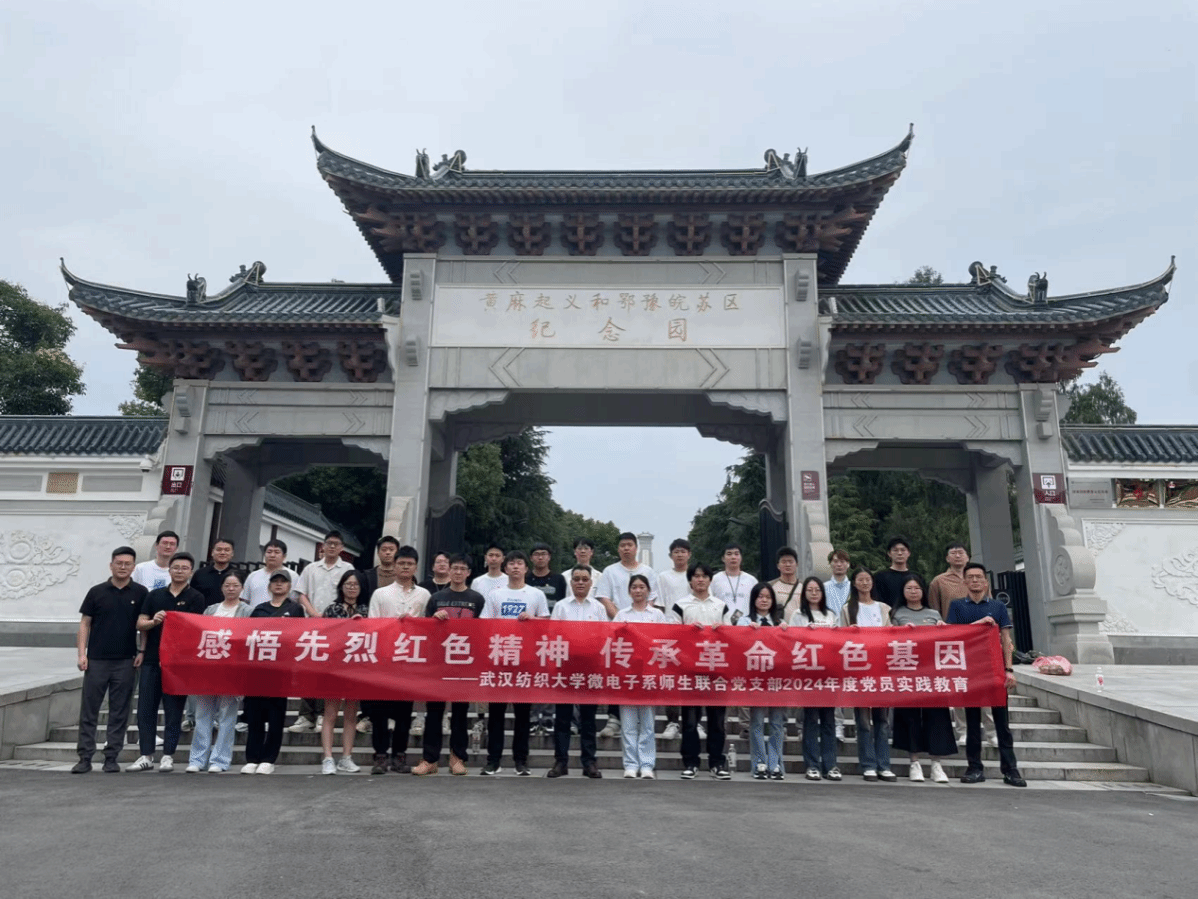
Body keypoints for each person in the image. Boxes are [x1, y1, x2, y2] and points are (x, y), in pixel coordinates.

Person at [947, 562, 1027, 787]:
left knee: (1002, 724)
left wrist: (1009, 670)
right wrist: (979, 623)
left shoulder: (997, 606)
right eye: (970, 577)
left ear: (985, 582)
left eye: (979, 577)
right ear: (964, 581)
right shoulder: (957, 606)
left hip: (995, 671)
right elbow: (953, 636)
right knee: (973, 723)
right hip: (970, 672)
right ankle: (974, 768)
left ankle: (1010, 770)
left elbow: (1006, 640)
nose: (974, 580)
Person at [128, 552, 206, 772]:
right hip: (152, 659)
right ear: (169, 570)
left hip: (178, 664)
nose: (179, 571)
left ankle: (168, 755)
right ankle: (146, 754)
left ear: (191, 572)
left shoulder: (196, 598)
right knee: (146, 707)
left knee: (174, 710)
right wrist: (154, 621)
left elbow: (198, 628)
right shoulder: (155, 595)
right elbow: (140, 623)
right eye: (176, 567)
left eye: (184, 568)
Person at [72, 546, 146, 774]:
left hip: (126, 660)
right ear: (111, 565)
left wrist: (142, 651)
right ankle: (85, 757)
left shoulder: (140, 593)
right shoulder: (97, 592)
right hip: (96, 660)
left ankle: (111, 756)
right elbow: (85, 623)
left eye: (127, 564)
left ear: (133, 567)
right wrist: (82, 654)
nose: (123, 567)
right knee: (89, 710)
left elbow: (143, 624)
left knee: (120, 711)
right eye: (119, 563)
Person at [479, 550, 549, 775]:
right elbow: (485, 624)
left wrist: (532, 619)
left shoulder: (536, 594)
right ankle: (493, 760)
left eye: (520, 563)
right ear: (505, 568)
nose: (516, 567)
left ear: (526, 568)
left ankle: (521, 761)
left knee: (523, 713)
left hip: (525, 659)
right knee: (496, 713)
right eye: (512, 563)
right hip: (500, 658)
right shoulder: (495, 594)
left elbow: (546, 624)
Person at [414, 554, 484, 776]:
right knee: (434, 712)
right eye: (455, 568)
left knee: (461, 713)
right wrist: (434, 618)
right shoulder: (436, 598)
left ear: (469, 573)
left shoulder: (477, 599)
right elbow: (425, 628)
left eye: (462, 568)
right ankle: (430, 759)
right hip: (438, 662)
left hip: (464, 663)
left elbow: (484, 630)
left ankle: (457, 758)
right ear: (449, 570)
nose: (458, 572)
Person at [365, 545, 430, 773]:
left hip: (409, 660)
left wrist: (414, 622)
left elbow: (429, 627)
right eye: (401, 563)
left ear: (416, 567)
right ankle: (380, 757)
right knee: (379, 712)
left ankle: (399, 756)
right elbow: (372, 624)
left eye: (409, 564)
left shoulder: (424, 595)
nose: (405, 567)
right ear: (394, 566)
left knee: (404, 712)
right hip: (384, 659)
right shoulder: (381, 594)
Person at [891, 573, 957, 784]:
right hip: (908, 673)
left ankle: (936, 764)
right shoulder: (897, 614)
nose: (913, 592)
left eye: (917, 588)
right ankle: (914, 762)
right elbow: (889, 641)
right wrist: (901, 632)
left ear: (923, 591)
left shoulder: (934, 614)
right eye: (909, 588)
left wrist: (942, 630)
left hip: (932, 673)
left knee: (937, 716)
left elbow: (945, 641)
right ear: (903, 591)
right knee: (910, 717)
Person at [670, 562, 732, 780]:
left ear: (710, 580)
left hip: (716, 670)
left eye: (704, 576)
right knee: (689, 721)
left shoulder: (721, 606)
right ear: (690, 580)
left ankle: (717, 763)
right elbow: (672, 636)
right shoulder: (680, 605)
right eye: (696, 576)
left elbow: (732, 636)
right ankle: (690, 762)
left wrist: (722, 631)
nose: (700, 580)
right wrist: (687, 631)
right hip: (690, 671)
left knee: (717, 721)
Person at [289, 531, 355, 733]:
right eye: (329, 543)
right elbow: (301, 594)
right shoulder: (311, 568)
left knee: (328, 671)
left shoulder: (347, 568)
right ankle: (305, 716)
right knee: (308, 670)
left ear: (342, 548)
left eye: (336, 544)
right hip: (313, 625)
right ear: (323, 546)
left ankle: (322, 715)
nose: (332, 547)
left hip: (337, 627)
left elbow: (351, 593)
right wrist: (313, 613)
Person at [596, 532, 660, 738]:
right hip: (619, 634)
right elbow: (604, 598)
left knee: (642, 675)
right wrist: (623, 621)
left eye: (629, 545)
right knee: (618, 674)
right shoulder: (610, 571)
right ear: (618, 549)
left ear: (636, 548)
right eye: (622, 545)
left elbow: (652, 599)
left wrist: (638, 623)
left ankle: (642, 718)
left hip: (644, 636)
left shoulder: (648, 571)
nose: (626, 548)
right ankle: (614, 718)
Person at [546, 565, 607, 779]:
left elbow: (604, 636)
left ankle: (589, 763)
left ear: (591, 583)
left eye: (584, 579)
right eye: (577, 579)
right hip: (565, 665)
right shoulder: (561, 606)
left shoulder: (598, 608)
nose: (580, 582)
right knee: (563, 717)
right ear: (571, 582)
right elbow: (553, 635)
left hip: (590, 666)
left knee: (588, 718)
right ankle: (560, 762)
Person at [186, 571, 251, 773]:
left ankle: (220, 760)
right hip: (209, 669)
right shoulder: (211, 609)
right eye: (227, 585)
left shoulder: (248, 611)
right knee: (202, 715)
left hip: (232, 670)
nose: (231, 589)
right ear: (221, 588)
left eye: (235, 585)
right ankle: (197, 759)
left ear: (242, 588)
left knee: (227, 717)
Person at [241, 572, 305, 774]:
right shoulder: (260, 609)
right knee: (255, 715)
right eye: (275, 582)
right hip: (258, 669)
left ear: (289, 586)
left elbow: (299, 635)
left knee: (276, 716)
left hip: (280, 669)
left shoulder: (295, 609)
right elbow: (249, 635)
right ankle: (252, 757)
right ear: (269, 586)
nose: (278, 585)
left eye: (283, 582)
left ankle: (269, 758)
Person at [840, 568, 895, 782]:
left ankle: (884, 765)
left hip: (881, 668)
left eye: (868, 579)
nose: (864, 583)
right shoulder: (848, 609)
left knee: (882, 719)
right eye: (860, 580)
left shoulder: (883, 608)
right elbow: (839, 638)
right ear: (854, 583)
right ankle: (868, 764)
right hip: (859, 669)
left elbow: (891, 634)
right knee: (863, 721)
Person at [613, 574, 667, 779]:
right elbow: (613, 640)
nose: (638, 590)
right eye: (634, 587)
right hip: (627, 673)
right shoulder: (621, 615)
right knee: (628, 724)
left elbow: (664, 641)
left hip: (649, 673)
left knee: (647, 724)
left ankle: (646, 764)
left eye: (642, 587)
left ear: (648, 591)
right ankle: (630, 764)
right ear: (629, 591)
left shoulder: (657, 615)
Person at [791, 576, 840, 781]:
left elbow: (839, 642)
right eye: (810, 590)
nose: (813, 593)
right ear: (804, 593)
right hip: (808, 675)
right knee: (811, 720)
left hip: (828, 674)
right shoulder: (798, 615)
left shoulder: (830, 614)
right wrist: (805, 634)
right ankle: (812, 764)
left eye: (817, 590)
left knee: (828, 720)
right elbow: (791, 641)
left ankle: (831, 764)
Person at [737, 582, 786, 781]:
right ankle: (759, 763)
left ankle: (775, 764)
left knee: (777, 723)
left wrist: (785, 632)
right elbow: (736, 644)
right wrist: (747, 632)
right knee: (756, 722)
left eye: (768, 597)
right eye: (760, 596)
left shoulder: (779, 622)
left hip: (777, 680)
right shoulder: (744, 621)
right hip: (755, 680)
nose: (764, 600)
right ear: (753, 599)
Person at [320, 570, 367, 774]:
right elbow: (323, 635)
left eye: (355, 584)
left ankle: (346, 757)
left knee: (351, 715)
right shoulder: (332, 609)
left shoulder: (366, 610)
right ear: (341, 587)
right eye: (348, 584)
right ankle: (328, 757)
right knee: (330, 714)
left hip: (357, 667)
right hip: (334, 668)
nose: (352, 588)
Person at [655, 538, 692, 740]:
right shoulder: (663, 577)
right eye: (676, 551)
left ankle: (693, 721)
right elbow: (659, 605)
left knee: (692, 678)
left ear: (689, 554)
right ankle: (672, 721)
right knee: (671, 679)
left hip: (692, 632)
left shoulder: (695, 575)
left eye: (683, 551)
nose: (680, 554)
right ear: (670, 555)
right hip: (670, 633)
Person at [241, 539, 295, 609]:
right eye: (269, 552)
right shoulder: (253, 576)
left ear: (284, 556)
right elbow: (245, 601)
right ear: (264, 554)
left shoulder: (292, 576)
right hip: (255, 614)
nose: (272, 555)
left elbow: (295, 600)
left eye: (277, 552)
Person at [710, 543, 757, 621]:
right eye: (729, 554)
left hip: (746, 624)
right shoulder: (714, 580)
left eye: (736, 554)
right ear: (723, 558)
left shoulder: (752, 580)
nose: (733, 557)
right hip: (721, 624)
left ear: (741, 558)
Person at [928, 542, 969, 621]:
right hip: (951, 625)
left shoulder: (977, 579)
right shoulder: (939, 581)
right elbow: (933, 609)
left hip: (977, 625)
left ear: (967, 558)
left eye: (961, 553)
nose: (957, 556)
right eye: (953, 553)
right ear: (947, 558)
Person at [190, 537, 237, 605]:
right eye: (219, 549)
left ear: (232, 553)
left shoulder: (239, 575)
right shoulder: (200, 574)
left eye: (227, 550)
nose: (222, 553)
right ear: (212, 552)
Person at [872, 536, 912, 610]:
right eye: (895, 550)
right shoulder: (880, 577)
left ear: (909, 553)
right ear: (889, 553)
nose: (899, 553)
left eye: (903, 550)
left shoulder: (916, 577)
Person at [771, 546, 803, 624]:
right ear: (778, 565)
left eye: (791, 562)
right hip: (778, 628)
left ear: (797, 564)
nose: (787, 565)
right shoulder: (770, 586)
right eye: (784, 562)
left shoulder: (804, 586)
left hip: (800, 627)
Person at [363, 535, 400, 599]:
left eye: (391, 550)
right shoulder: (367, 576)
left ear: (398, 553)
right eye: (384, 550)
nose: (388, 552)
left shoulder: (405, 576)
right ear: (378, 553)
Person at [823, 549, 852, 619]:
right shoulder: (823, 587)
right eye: (835, 561)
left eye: (842, 561)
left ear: (848, 564)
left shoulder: (853, 587)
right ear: (830, 564)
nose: (839, 564)